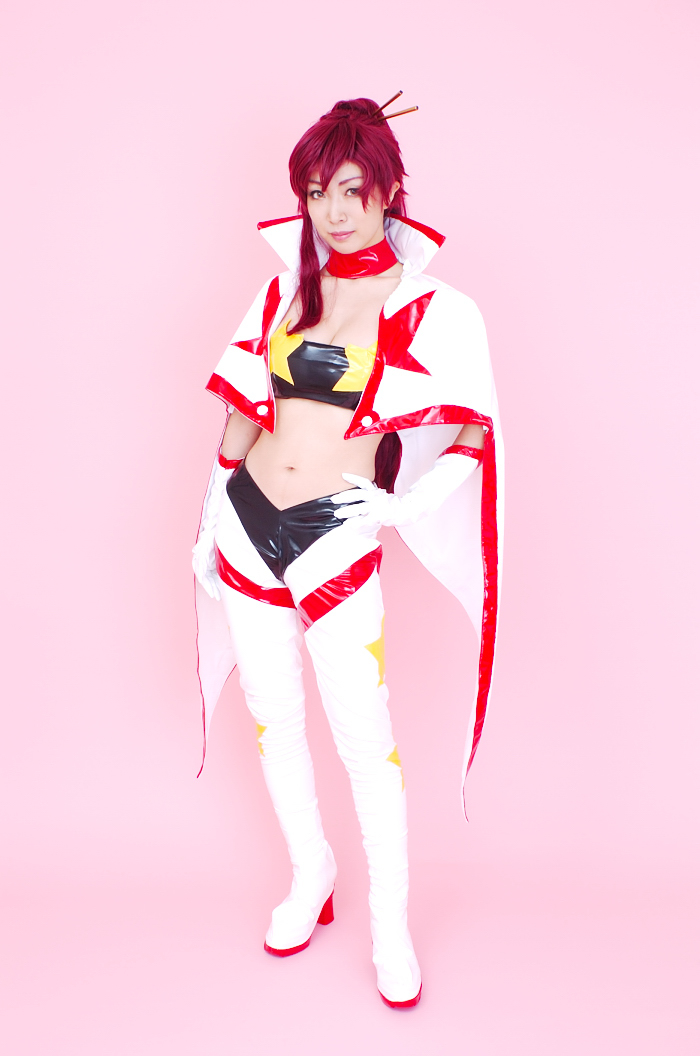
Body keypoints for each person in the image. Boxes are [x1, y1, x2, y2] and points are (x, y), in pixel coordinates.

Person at [192, 95, 504, 1008]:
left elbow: (477, 430)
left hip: (337, 537)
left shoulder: (435, 307)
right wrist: (208, 518)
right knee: (273, 720)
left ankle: (389, 926)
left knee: (367, 743)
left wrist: (408, 504)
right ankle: (311, 873)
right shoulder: (285, 288)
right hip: (248, 527)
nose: (332, 211)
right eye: (317, 191)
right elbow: (243, 411)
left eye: (352, 189)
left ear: (389, 189)